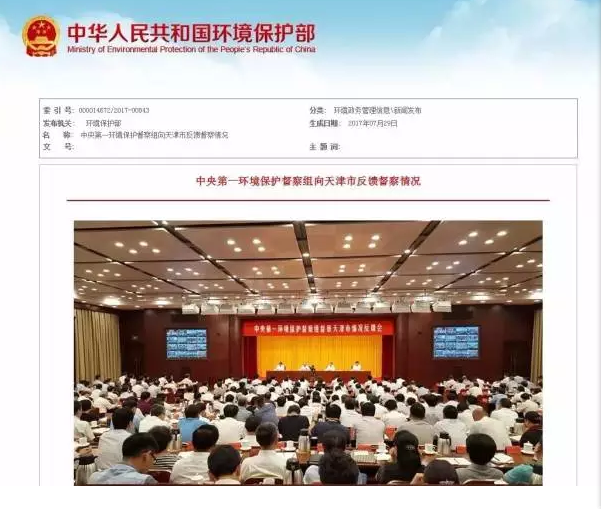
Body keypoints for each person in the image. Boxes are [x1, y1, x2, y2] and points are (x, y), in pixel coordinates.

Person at [89, 433, 159, 485]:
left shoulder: (94, 477)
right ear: (146, 456)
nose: (152, 463)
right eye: (154, 459)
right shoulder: (146, 481)